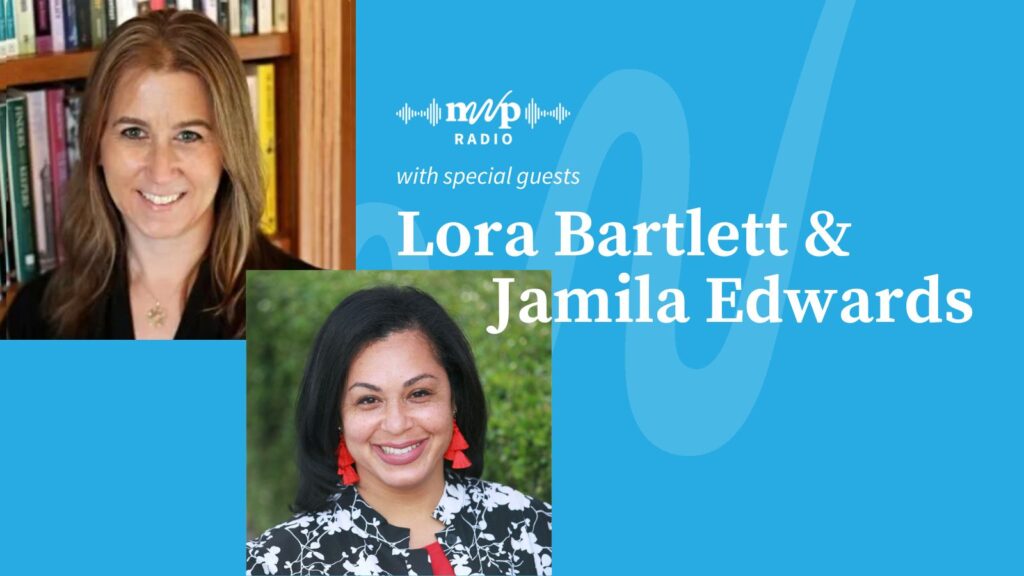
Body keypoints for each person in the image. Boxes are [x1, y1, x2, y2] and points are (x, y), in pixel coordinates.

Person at [0, 10, 311, 340]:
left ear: (228, 150)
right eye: (134, 132)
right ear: (96, 144)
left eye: (188, 135)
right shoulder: (35, 317)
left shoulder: (306, 313)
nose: (160, 170)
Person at [246, 286, 552, 576]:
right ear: (336, 414)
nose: (397, 423)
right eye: (368, 400)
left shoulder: (536, 530)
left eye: (419, 393)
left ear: (454, 398)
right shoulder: (276, 563)